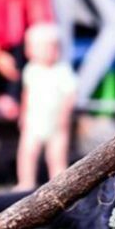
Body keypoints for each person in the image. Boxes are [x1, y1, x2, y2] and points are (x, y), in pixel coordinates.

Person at [16, 21, 78, 188]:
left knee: (57, 156)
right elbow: (26, 94)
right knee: (27, 153)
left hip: (56, 124)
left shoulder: (62, 71)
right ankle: (25, 182)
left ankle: (59, 186)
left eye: (54, 47)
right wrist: (23, 114)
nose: (51, 51)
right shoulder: (31, 70)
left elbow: (70, 95)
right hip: (34, 121)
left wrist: (64, 116)